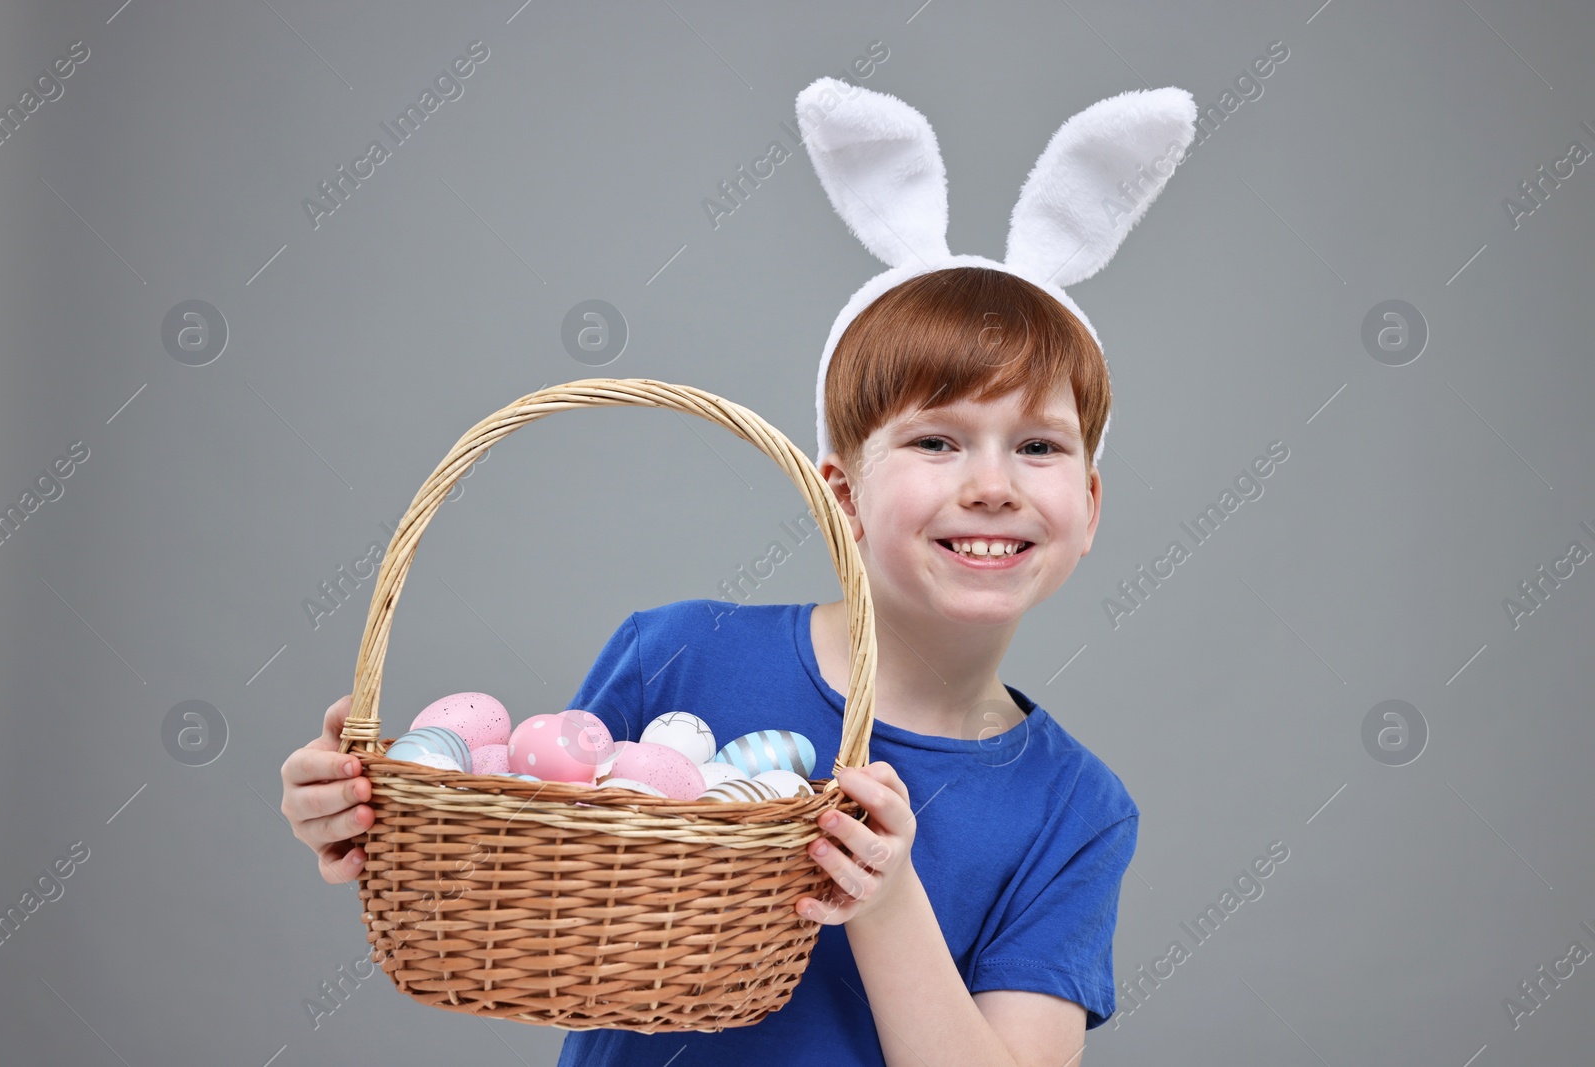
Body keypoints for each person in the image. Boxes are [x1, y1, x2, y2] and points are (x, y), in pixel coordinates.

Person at [282, 76, 1197, 1066]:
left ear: (1090, 507)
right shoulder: (677, 657)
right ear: (839, 494)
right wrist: (387, 808)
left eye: (1038, 447)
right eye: (936, 440)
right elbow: (541, 876)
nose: (990, 485)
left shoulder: (1073, 809)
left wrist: (884, 903)